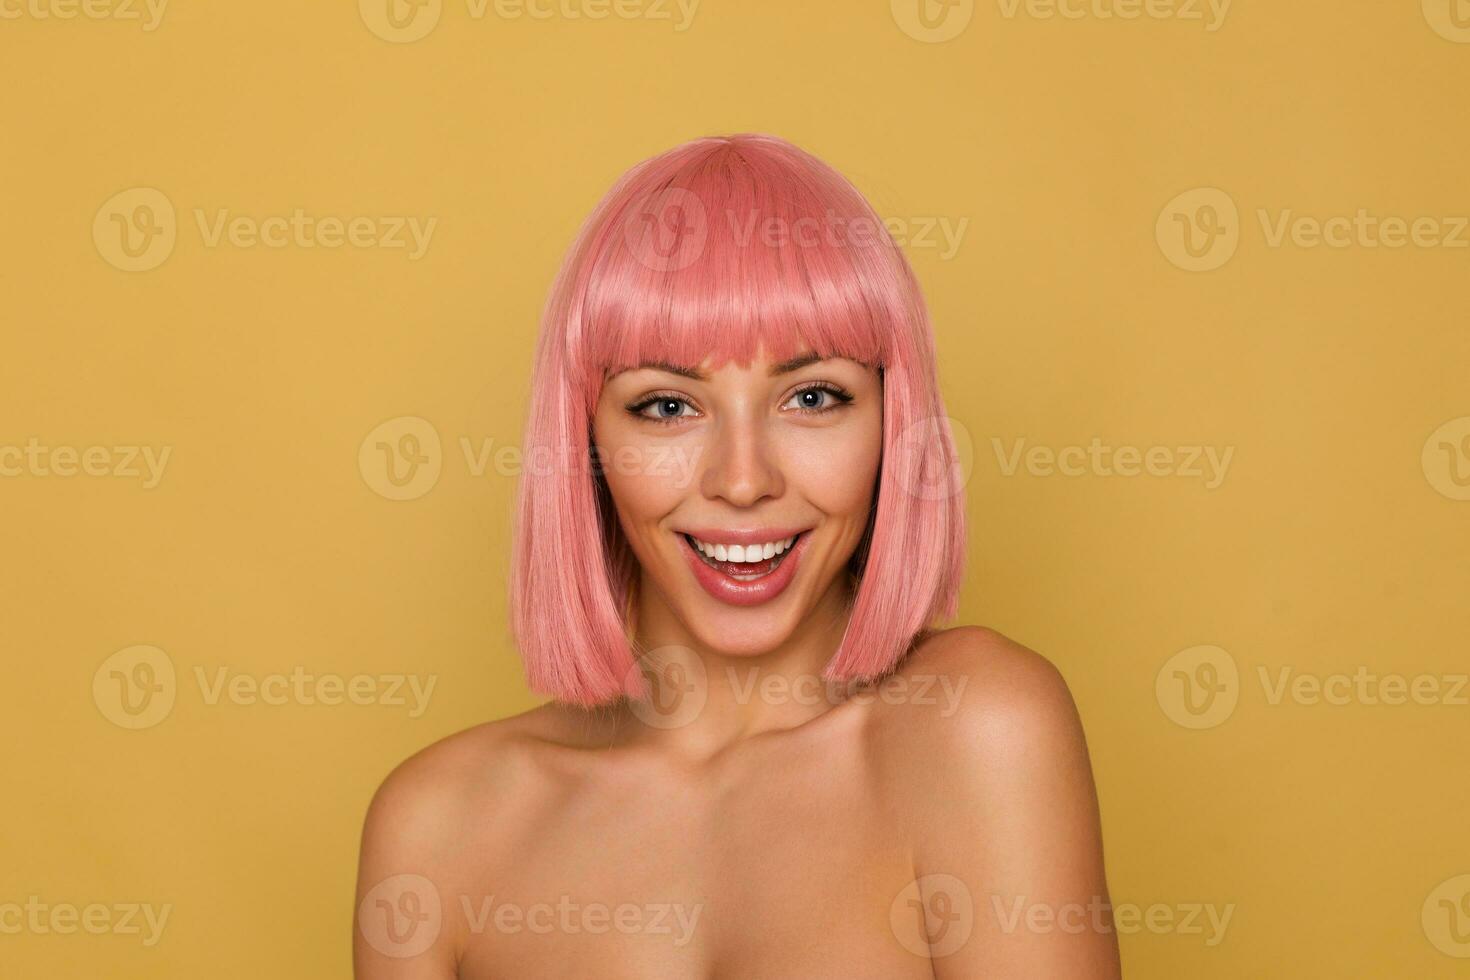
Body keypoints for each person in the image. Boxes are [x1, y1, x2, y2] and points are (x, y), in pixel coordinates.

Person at [354, 133, 1120, 978]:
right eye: (668, 406)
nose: (744, 479)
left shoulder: (976, 728)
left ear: (894, 421)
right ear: (584, 439)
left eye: (813, 396)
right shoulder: (437, 829)